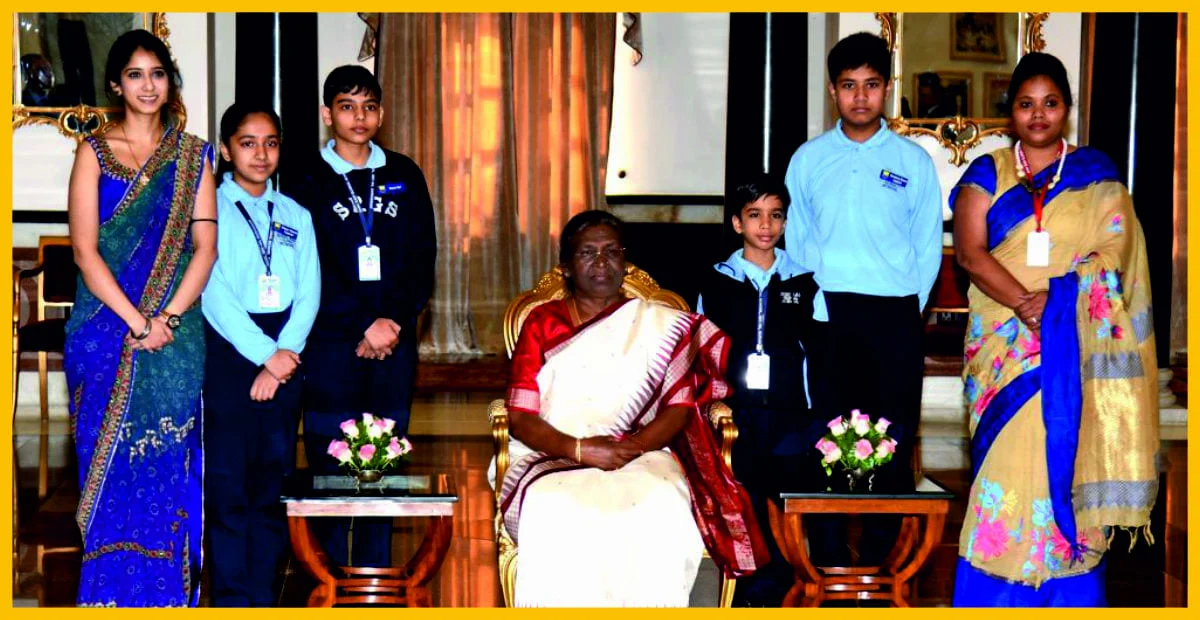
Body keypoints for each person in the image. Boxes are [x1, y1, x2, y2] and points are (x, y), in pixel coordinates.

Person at [949, 52, 1159, 607]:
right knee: (1008, 464)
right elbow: (969, 256)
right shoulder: (987, 172)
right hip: (1002, 348)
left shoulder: (1098, 176)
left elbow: (1117, 248)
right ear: (1009, 111)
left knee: (1062, 461)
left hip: (1073, 343)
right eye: (1025, 104)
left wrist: (1061, 302)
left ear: (1067, 108)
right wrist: (1025, 303)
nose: (1038, 114)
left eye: (1050, 103)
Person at [497, 211, 768, 606]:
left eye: (611, 252)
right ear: (567, 268)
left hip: (642, 451)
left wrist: (633, 447)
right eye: (587, 253)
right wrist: (582, 449)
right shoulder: (542, 322)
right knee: (557, 509)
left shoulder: (659, 323)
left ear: (626, 263)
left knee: (659, 503)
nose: (601, 262)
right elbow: (520, 417)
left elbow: (679, 408)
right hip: (552, 452)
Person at [63, 29, 217, 607]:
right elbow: (85, 251)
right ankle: (106, 597)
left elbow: (205, 247)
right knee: (108, 473)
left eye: (156, 73)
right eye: (135, 74)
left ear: (169, 81)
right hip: (105, 332)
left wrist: (167, 319)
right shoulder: (93, 152)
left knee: (166, 462)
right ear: (115, 85)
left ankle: (168, 598)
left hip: (175, 336)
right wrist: (136, 321)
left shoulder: (192, 154)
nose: (147, 85)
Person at [782, 31, 943, 566]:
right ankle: (828, 560)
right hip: (827, 318)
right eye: (848, 86)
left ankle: (878, 562)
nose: (859, 97)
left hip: (894, 316)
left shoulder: (913, 161)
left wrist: (905, 312)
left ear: (887, 89)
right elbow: (798, 242)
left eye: (871, 85)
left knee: (890, 442)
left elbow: (927, 247)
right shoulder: (808, 160)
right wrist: (815, 309)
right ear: (833, 91)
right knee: (826, 438)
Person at [294, 65, 436, 568]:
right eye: (348, 106)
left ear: (381, 113)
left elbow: (423, 259)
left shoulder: (404, 173)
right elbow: (309, 266)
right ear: (326, 114)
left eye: (370, 106)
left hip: (392, 342)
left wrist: (392, 321)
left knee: (385, 452)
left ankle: (373, 568)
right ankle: (328, 570)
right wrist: (361, 324)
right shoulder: (305, 179)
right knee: (331, 453)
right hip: (332, 341)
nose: (360, 117)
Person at [201, 102, 320, 607]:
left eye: (270, 142)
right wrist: (263, 355)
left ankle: (264, 595)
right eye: (247, 143)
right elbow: (212, 290)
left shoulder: (295, 213)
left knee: (272, 482)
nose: (261, 153)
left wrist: (285, 352)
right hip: (230, 350)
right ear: (227, 151)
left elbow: (310, 289)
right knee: (229, 485)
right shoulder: (210, 208)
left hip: (286, 347)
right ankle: (230, 599)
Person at [695, 175, 819, 606]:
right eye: (754, 216)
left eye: (775, 216)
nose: (765, 225)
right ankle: (750, 583)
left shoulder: (804, 282)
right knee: (742, 495)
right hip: (737, 411)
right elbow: (702, 347)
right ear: (736, 223)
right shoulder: (716, 282)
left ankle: (790, 579)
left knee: (785, 496)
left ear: (784, 223)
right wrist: (713, 400)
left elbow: (819, 347)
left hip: (789, 410)